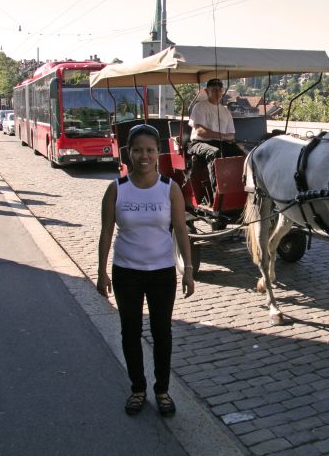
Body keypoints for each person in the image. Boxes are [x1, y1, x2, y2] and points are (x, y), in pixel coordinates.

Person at [97, 124, 195, 417]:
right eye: (138, 150)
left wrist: (188, 269)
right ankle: (138, 388)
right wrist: (101, 272)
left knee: (162, 332)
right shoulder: (116, 189)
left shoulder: (170, 189)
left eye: (150, 150)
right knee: (130, 331)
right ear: (128, 152)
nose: (144, 156)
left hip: (162, 272)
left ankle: (162, 389)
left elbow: (180, 230)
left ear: (158, 153)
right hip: (126, 271)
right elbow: (105, 232)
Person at [187, 78, 244, 191]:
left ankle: (240, 188)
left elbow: (231, 135)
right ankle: (217, 191)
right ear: (207, 91)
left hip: (220, 142)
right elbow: (200, 131)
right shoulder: (199, 107)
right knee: (215, 153)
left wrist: (223, 138)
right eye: (214, 90)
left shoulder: (225, 111)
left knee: (241, 153)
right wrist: (222, 136)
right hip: (198, 143)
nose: (217, 93)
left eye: (219, 90)